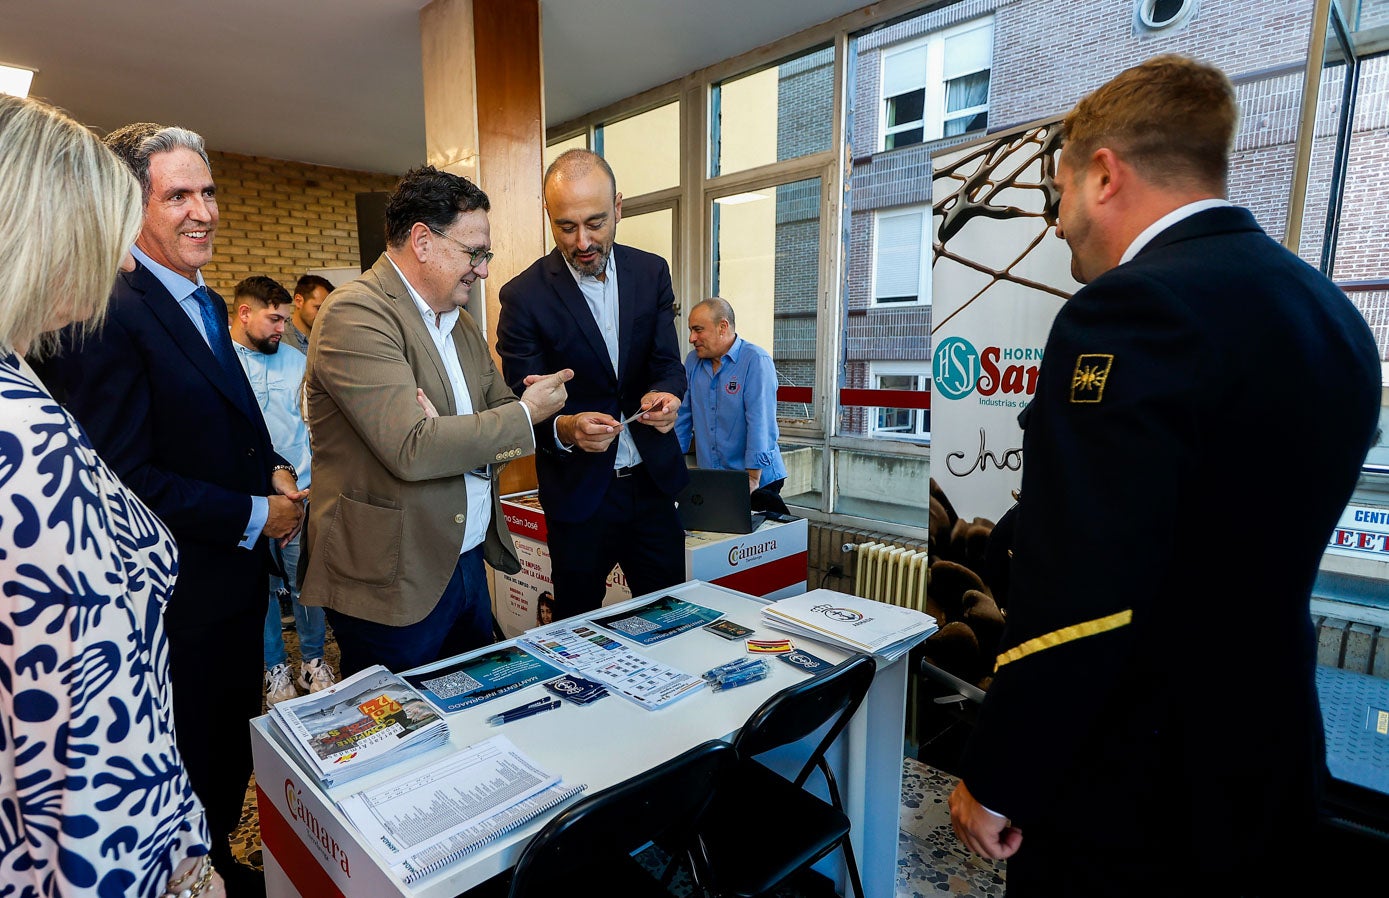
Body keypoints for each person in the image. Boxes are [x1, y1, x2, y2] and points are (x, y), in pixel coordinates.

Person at [948, 54, 1382, 895]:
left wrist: (1000, 772)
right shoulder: (1329, 313)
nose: (1057, 222)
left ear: (1102, 174)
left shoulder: (1129, 311)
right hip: (1268, 752)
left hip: (1132, 780)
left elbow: (1083, 593)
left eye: (1058, 193)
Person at [40, 121, 304, 897]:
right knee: (190, 761)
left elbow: (228, 420)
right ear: (131, 207)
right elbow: (121, 477)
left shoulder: (203, 298)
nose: (204, 211)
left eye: (209, 190)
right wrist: (258, 515)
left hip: (229, 594)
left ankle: (220, 858)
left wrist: (277, 467)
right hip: (174, 607)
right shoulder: (106, 312)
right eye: (178, 195)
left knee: (225, 751)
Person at [0, 94, 226, 898]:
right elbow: (79, 737)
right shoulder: (19, 435)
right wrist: (182, 869)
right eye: (106, 232)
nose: (124, 262)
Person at [300, 165, 571, 677]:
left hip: (464, 561)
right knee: (406, 738)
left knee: (471, 715)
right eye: (475, 252)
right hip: (393, 578)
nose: (484, 270)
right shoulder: (355, 313)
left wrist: (458, 429)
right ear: (422, 241)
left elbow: (489, 412)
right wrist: (515, 417)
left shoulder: (459, 320)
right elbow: (415, 447)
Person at [497, 149, 689, 621]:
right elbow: (518, 405)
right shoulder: (523, 297)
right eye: (566, 226)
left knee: (669, 620)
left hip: (653, 487)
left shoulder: (650, 272)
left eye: (596, 223)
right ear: (549, 216)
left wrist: (668, 396)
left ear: (619, 208)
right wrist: (565, 428)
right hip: (579, 498)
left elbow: (669, 364)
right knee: (577, 628)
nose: (583, 241)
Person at [229, 275, 336, 703]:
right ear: (244, 313)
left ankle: (312, 662)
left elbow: (313, 427)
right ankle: (274, 667)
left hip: (301, 495)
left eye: (285, 319)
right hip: (251, 502)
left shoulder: (295, 360)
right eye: (273, 319)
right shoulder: (221, 362)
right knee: (263, 591)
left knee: (306, 584)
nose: (281, 328)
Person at [674, 297, 787, 496]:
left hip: (757, 479)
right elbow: (682, 417)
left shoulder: (755, 360)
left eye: (698, 330)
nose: (692, 338)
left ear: (722, 327)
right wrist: (671, 465)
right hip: (714, 477)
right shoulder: (693, 362)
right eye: (691, 330)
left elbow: (760, 423)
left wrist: (752, 478)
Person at [284, 273, 333, 354]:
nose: (324, 315)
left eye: (327, 310)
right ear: (299, 301)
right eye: (318, 308)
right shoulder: (279, 339)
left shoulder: (329, 340)